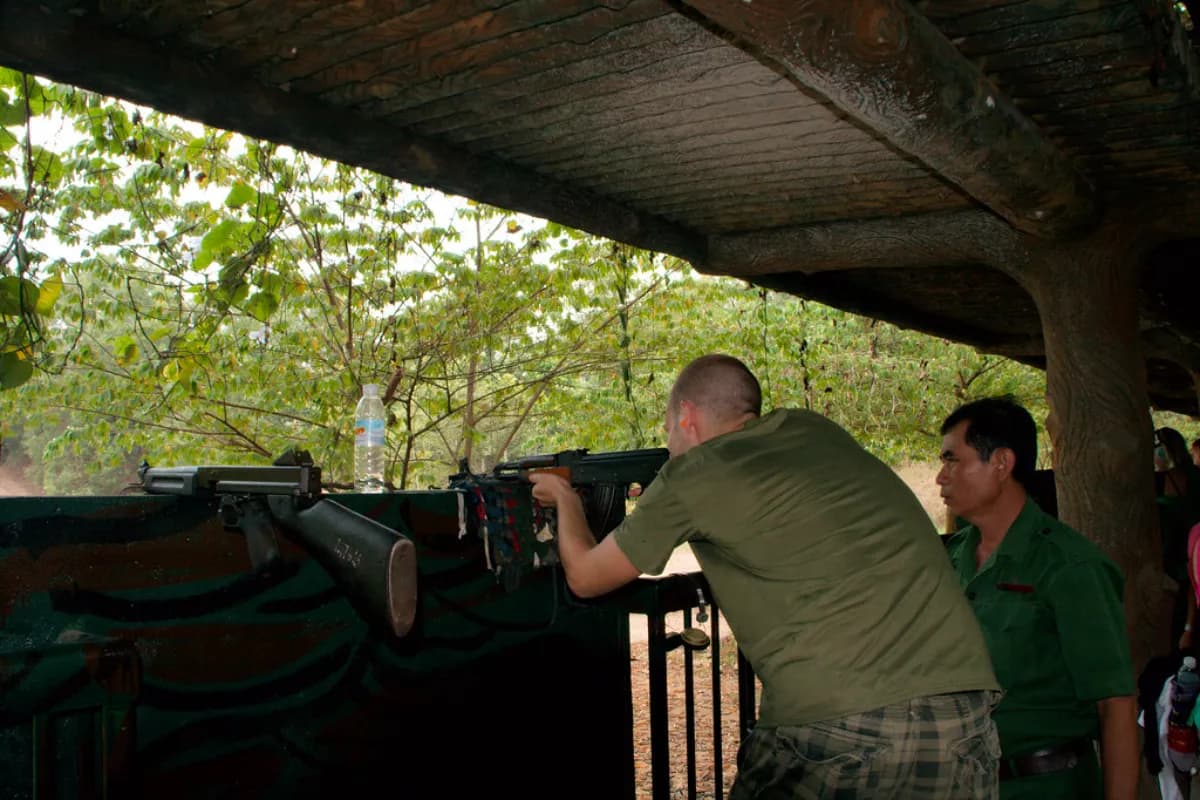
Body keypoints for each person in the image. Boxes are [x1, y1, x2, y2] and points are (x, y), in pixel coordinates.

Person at [530, 353, 1001, 798]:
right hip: (959, 712)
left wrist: (566, 501)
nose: (669, 443)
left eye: (668, 427)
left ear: (687, 417)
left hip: (839, 722)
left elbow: (587, 577)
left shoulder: (693, 475)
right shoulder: (813, 429)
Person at [937, 397, 1138, 799]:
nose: (941, 477)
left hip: (1045, 786)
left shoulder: (1069, 567)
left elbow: (1114, 705)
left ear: (1001, 463)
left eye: (953, 460)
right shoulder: (947, 559)